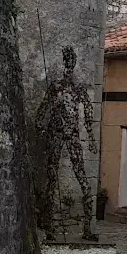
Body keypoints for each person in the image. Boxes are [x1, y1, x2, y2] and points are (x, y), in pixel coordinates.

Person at [35, 46, 98, 241]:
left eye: (72, 62)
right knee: (52, 179)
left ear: (74, 64)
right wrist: (42, 128)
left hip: (71, 135)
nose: (70, 66)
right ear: (64, 64)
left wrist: (91, 139)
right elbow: (42, 111)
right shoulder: (56, 87)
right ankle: (49, 227)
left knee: (82, 177)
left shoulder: (78, 89)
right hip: (56, 134)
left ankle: (87, 229)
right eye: (67, 62)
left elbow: (88, 114)